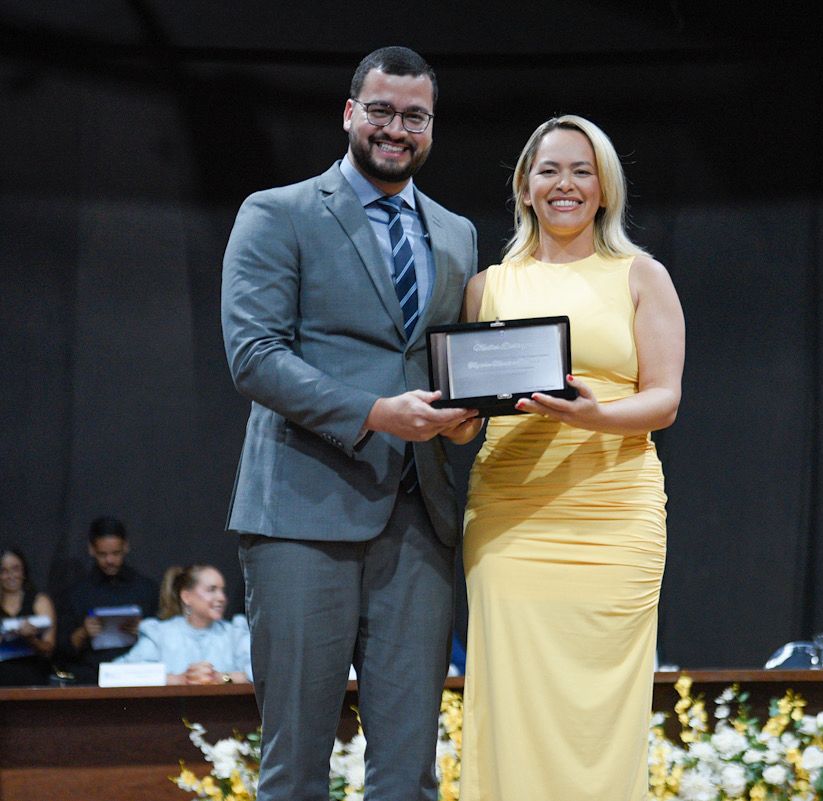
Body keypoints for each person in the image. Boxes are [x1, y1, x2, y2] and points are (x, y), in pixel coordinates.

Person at [221, 46, 478, 801]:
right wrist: (372, 413)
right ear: (349, 113)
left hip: (420, 522)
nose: (396, 129)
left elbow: (448, 361)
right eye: (381, 111)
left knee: (409, 772)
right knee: (296, 766)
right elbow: (254, 356)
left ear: (432, 125)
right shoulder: (278, 212)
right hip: (302, 516)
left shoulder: (456, 232)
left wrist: (465, 418)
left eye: (415, 116)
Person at [458, 116, 685, 801]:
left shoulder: (641, 275)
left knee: (602, 709)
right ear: (524, 187)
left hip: (613, 511)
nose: (566, 184)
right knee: (512, 698)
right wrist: (451, 423)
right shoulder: (487, 287)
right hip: (511, 514)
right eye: (550, 170)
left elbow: (665, 398)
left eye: (582, 171)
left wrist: (598, 417)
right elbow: (467, 414)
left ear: (604, 188)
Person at [56, 516, 159, 684]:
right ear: (91, 549)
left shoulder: (146, 588)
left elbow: (164, 639)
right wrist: (83, 632)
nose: (110, 560)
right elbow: (61, 650)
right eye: (102, 554)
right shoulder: (76, 593)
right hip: (91, 677)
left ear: (126, 547)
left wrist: (144, 629)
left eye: (116, 553)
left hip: (138, 675)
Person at [117, 564, 251, 684]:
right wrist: (178, 679)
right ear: (186, 597)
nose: (221, 598)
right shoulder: (159, 634)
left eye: (222, 590)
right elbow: (119, 674)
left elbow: (257, 673)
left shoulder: (235, 633)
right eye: (211, 590)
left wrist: (222, 678)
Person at [0, 548, 56, 686]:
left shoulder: (39, 601)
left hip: (33, 677)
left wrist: (31, 639)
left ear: (24, 571)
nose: (11, 575)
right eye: (4, 571)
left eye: (15, 569)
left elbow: (49, 648)